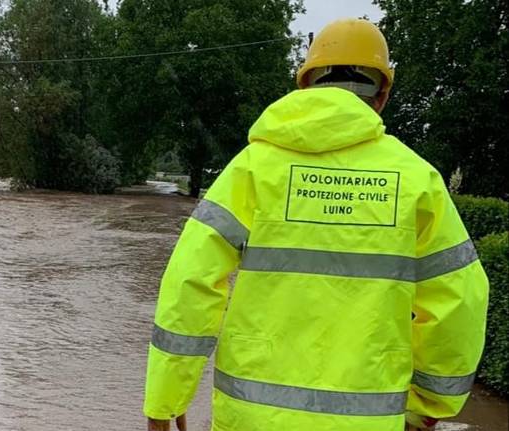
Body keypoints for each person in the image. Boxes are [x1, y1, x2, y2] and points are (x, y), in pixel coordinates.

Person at [143, 18, 489, 431]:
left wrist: (165, 399)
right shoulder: (418, 181)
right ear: (382, 96)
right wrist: (430, 406)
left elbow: (190, 285)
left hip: (251, 419)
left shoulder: (252, 169)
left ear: (305, 87)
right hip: (368, 421)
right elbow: (461, 302)